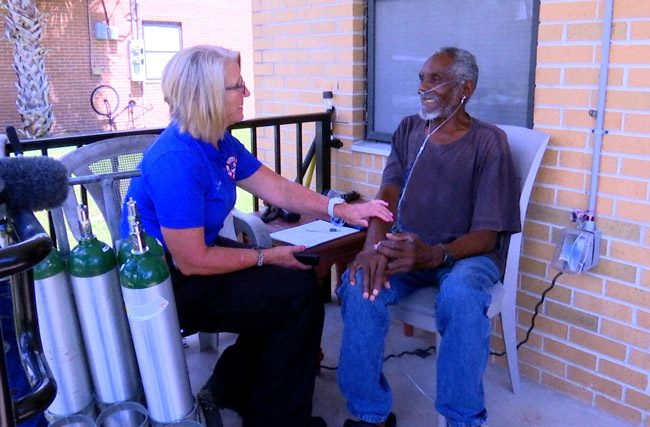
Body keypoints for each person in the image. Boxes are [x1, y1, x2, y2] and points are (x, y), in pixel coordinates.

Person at [119, 45, 393, 427]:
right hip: (162, 281)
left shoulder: (219, 142)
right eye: (238, 86)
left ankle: (230, 386)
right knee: (295, 296)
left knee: (296, 279)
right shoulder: (175, 160)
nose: (246, 93)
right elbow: (191, 259)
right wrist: (266, 256)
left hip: (194, 258)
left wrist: (340, 209)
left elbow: (276, 188)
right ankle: (276, 418)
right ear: (208, 96)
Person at [336, 47, 521, 427]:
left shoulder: (489, 142)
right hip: (407, 248)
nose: (423, 87)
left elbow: (487, 235)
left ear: (464, 88)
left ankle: (463, 419)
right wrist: (372, 248)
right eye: (421, 78)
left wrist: (436, 254)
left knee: (463, 296)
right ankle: (368, 411)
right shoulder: (407, 130)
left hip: (465, 256)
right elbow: (388, 193)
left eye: (435, 79)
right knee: (357, 283)